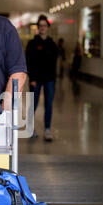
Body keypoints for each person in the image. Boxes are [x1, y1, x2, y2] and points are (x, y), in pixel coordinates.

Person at [25, 14, 58, 142]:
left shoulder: (52, 44)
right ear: (38, 28)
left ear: (48, 27)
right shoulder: (32, 43)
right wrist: (32, 78)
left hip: (49, 79)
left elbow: (54, 61)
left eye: (45, 25)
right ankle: (30, 129)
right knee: (33, 105)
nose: (42, 28)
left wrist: (54, 78)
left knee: (48, 104)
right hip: (36, 79)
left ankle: (47, 130)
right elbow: (28, 61)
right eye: (40, 26)